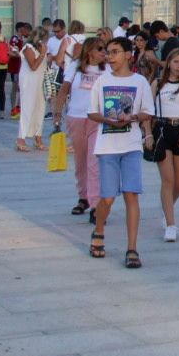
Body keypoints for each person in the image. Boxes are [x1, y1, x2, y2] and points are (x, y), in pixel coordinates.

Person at [88, 37, 153, 268]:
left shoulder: (140, 81)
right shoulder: (101, 81)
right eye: (108, 52)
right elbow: (92, 113)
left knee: (131, 194)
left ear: (128, 54)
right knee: (107, 198)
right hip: (107, 147)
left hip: (131, 146)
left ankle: (132, 248)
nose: (110, 57)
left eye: (115, 52)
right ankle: (98, 230)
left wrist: (132, 117)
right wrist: (108, 119)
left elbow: (148, 112)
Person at [150, 48, 179, 243]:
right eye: (176, 62)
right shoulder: (158, 84)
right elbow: (148, 111)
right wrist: (146, 134)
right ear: (168, 63)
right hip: (162, 129)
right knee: (167, 180)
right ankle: (171, 224)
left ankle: (167, 207)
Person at [65, 37, 105, 220]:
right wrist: (57, 114)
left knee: (94, 163)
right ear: (90, 51)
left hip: (97, 119)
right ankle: (83, 197)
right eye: (100, 49)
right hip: (77, 117)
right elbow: (64, 89)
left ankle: (96, 205)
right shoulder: (75, 67)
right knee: (80, 161)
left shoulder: (108, 70)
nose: (104, 53)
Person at [16, 28, 48, 153]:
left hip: (40, 81)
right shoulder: (28, 48)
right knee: (28, 108)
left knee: (40, 109)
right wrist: (42, 54)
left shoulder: (42, 48)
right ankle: (21, 139)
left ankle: (38, 138)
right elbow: (33, 66)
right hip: (29, 81)